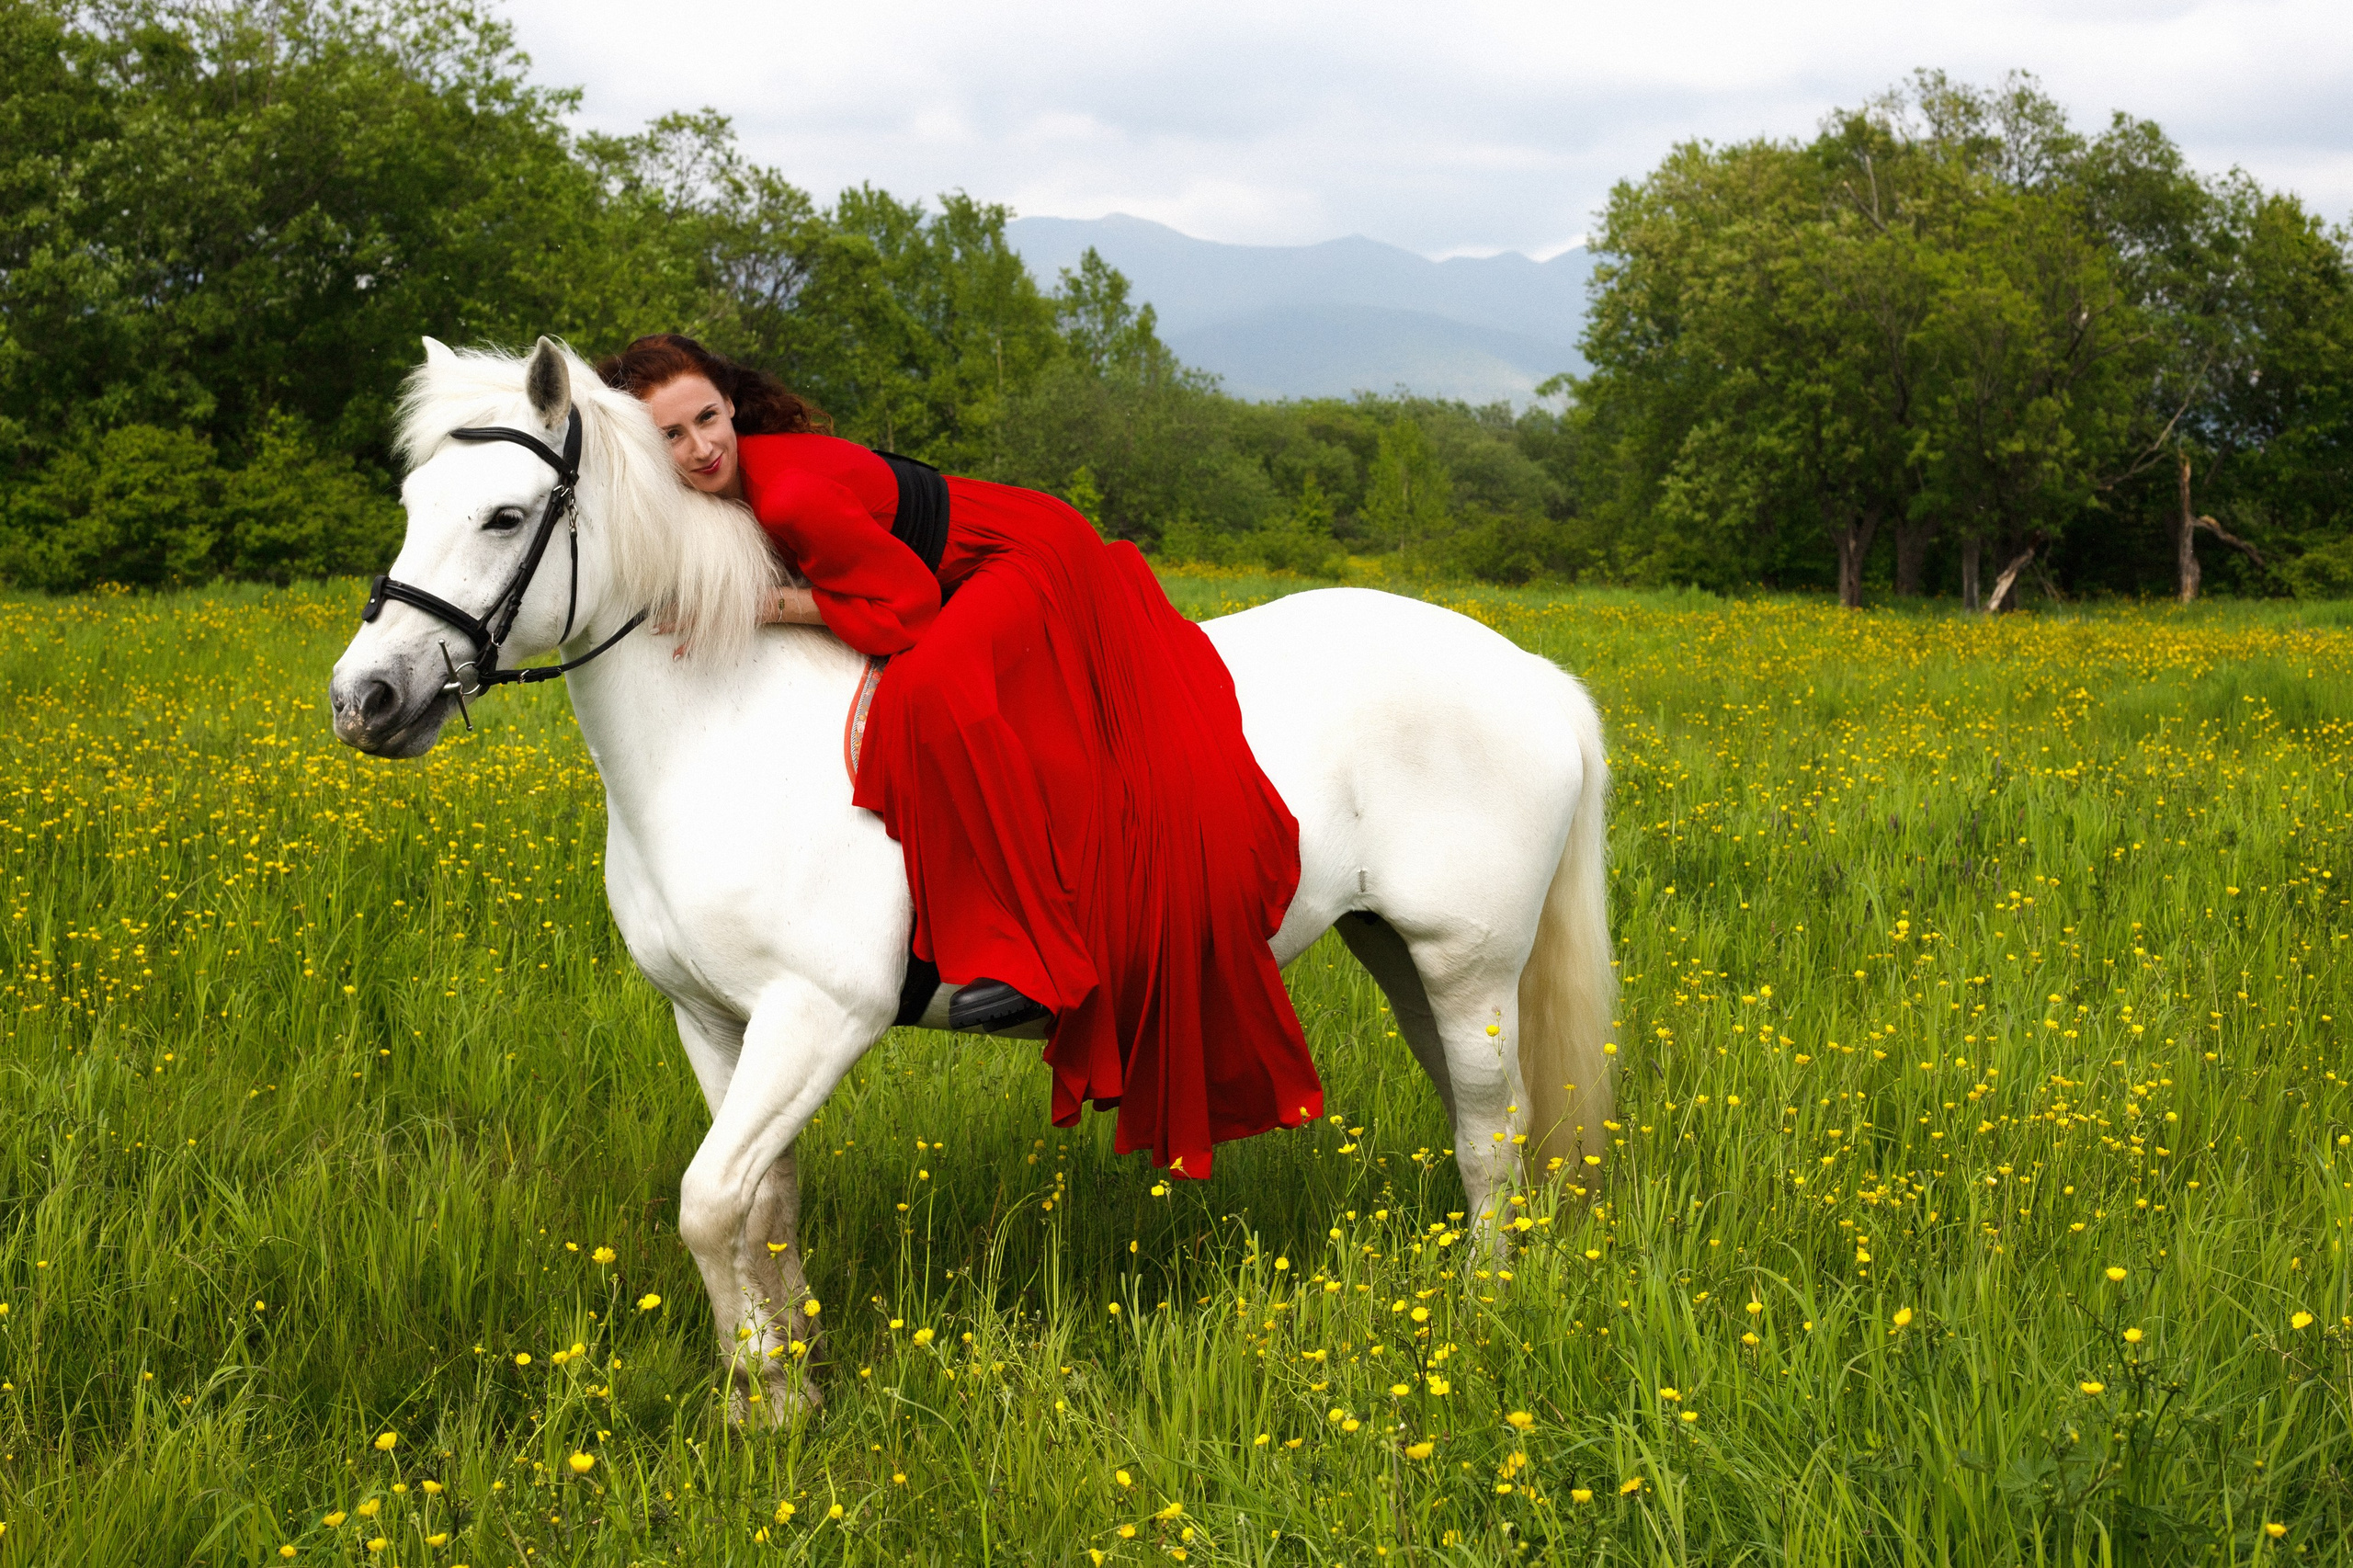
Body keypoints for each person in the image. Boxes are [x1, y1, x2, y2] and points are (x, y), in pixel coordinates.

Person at [596, 335, 1321, 1176]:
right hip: (955, 565)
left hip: (1019, 553)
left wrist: (767, 606)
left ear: (730, 402)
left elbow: (903, 609)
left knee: (931, 699)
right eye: (672, 438)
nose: (700, 448)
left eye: (708, 420)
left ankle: (1032, 952)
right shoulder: (714, 492)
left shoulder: (786, 491)